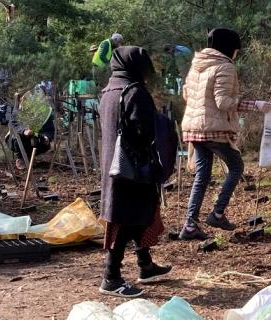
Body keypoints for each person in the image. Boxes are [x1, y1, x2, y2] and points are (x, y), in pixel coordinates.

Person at [178, 28, 271, 240]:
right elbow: (223, 102)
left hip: (193, 128)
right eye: (236, 51)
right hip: (214, 129)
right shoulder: (225, 66)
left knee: (202, 176)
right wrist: (255, 105)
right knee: (237, 167)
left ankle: (190, 225)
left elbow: (186, 94)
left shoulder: (197, 65)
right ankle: (217, 213)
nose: (236, 55)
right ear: (229, 48)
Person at [96, 46, 173, 297]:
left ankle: (145, 265)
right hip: (134, 168)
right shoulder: (134, 91)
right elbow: (145, 130)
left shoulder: (108, 91)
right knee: (128, 219)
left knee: (139, 213)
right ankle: (111, 277)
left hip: (114, 165)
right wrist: (162, 124)